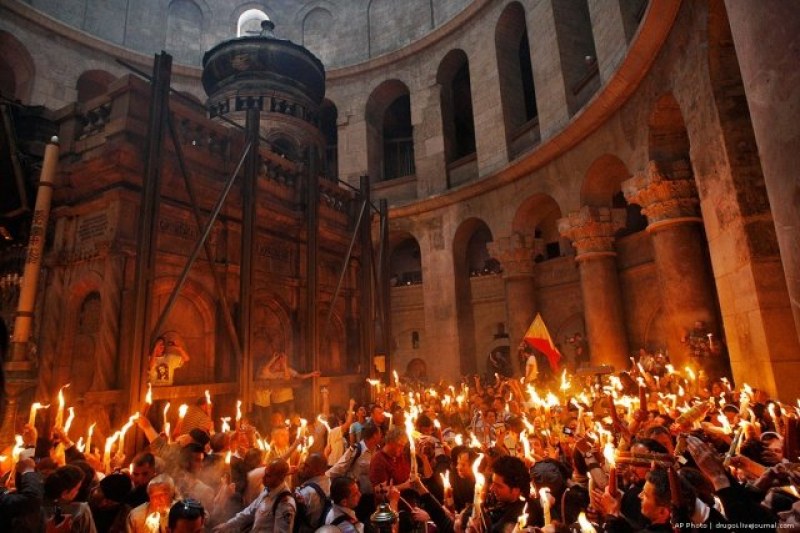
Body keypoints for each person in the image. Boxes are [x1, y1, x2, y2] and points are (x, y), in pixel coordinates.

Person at [212, 459, 296, 532]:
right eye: (265, 473)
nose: (263, 477)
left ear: (280, 478)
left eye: (268, 475)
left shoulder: (285, 504)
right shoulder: (267, 490)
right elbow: (249, 511)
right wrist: (227, 525)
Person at [256, 352, 319, 419]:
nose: (280, 363)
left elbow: (296, 376)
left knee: (292, 417)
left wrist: (312, 374)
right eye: (278, 361)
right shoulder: (271, 373)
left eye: (282, 361)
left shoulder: (288, 370)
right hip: (278, 401)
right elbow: (264, 371)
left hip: (289, 399)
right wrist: (273, 359)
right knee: (282, 418)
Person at [294, 453, 331, 532]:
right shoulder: (329, 482)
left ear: (317, 471)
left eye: (307, 465)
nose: (303, 467)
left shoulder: (306, 493)